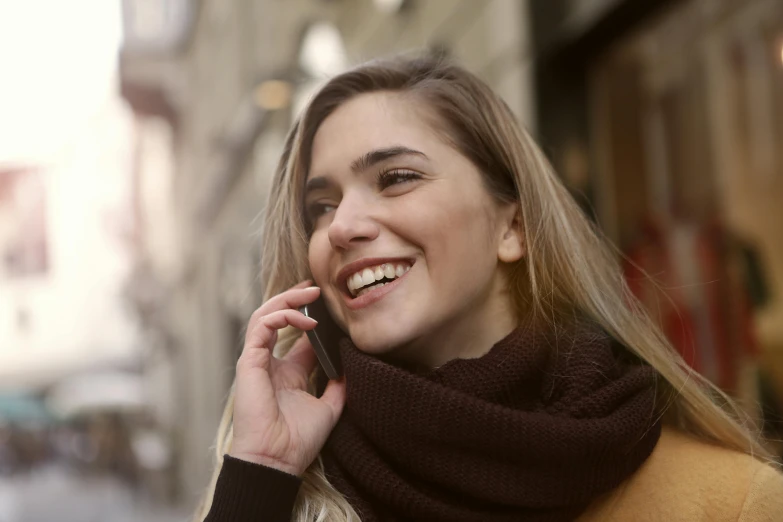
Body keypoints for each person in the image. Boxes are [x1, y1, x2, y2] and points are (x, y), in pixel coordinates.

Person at [196, 55, 783, 521]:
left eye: (396, 178)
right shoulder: (282, 487)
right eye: (320, 207)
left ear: (513, 226)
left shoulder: (729, 503)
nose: (342, 227)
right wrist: (261, 475)